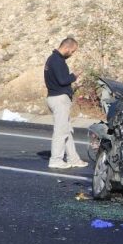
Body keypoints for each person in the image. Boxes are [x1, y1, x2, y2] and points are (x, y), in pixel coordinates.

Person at [44, 37, 86, 169]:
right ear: (67, 48)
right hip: (59, 99)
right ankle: (56, 160)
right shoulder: (57, 61)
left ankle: (73, 159)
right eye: (72, 51)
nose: (72, 54)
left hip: (55, 97)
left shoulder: (53, 59)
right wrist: (74, 75)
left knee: (66, 130)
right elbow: (63, 81)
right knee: (61, 131)